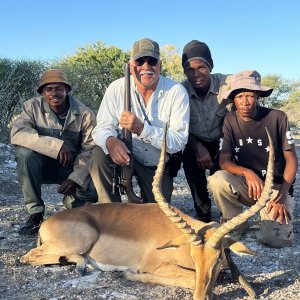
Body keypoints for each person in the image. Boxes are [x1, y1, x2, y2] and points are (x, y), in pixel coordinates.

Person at [90, 38, 189, 203]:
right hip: (125, 156)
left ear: (160, 65)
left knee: (159, 216)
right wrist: (110, 141)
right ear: (130, 65)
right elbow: (101, 128)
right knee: (99, 154)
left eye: (152, 61)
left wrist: (142, 129)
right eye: (140, 61)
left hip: (156, 164)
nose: (146, 67)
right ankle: (110, 212)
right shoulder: (116, 88)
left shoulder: (176, 91)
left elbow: (178, 142)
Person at [208, 69, 298, 248]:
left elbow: (292, 160)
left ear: (257, 95)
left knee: (275, 240)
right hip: (249, 186)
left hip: (274, 189)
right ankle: (235, 223)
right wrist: (247, 172)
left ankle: (269, 219)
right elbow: (224, 161)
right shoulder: (230, 120)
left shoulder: (278, 117)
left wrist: (281, 196)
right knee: (217, 179)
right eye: (239, 96)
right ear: (233, 98)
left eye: (249, 95)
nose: (245, 102)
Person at [11, 69, 98, 235]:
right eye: (49, 89)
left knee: (93, 190)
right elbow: (17, 133)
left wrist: (75, 179)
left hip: (70, 168)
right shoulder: (32, 107)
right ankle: (35, 215)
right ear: (42, 92)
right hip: (42, 167)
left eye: (59, 88)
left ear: (67, 90)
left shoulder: (85, 114)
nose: (54, 93)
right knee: (24, 153)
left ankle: (72, 204)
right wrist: (55, 146)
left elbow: (90, 150)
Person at [181, 40, 229, 222]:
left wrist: (225, 147)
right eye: (189, 70)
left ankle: (227, 211)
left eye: (201, 67)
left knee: (223, 170)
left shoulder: (227, 84)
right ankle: (203, 211)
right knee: (189, 162)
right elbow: (178, 128)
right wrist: (197, 147)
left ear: (210, 66)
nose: (195, 74)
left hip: (223, 140)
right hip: (194, 141)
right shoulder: (180, 91)